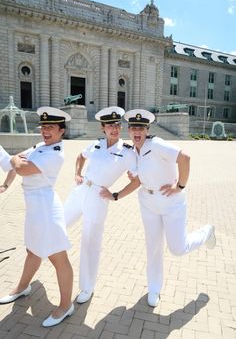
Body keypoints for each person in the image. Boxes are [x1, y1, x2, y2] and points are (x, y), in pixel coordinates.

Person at [121, 109, 216, 307]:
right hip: (147, 202)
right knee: (153, 247)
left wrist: (180, 186)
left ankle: (206, 233)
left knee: (178, 248)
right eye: (133, 128)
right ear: (128, 130)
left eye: (141, 128)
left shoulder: (156, 144)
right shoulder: (133, 149)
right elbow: (144, 173)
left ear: (147, 129)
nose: (136, 132)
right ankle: (154, 288)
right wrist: (135, 177)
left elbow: (185, 158)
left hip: (171, 203)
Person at [0, 107, 74, 327]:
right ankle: (23, 287)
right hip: (34, 210)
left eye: (51, 127)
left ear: (61, 131)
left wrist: (15, 161)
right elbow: (12, 164)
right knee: (32, 251)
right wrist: (5, 183)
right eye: (43, 127)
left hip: (47, 211)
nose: (45, 131)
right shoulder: (41, 146)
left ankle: (65, 305)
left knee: (58, 259)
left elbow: (22, 167)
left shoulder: (56, 153)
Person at [64, 106, 140, 304]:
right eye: (110, 125)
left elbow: (138, 180)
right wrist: (77, 174)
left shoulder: (128, 152)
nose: (114, 128)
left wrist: (116, 195)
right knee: (58, 225)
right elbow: (80, 156)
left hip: (99, 197)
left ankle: (87, 287)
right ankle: (40, 255)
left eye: (117, 125)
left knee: (90, 243)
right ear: (102, 128)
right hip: (81, 191)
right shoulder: (96, 144)